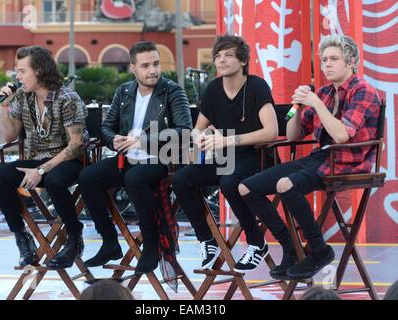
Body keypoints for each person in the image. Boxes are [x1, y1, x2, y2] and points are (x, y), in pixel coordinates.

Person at [239, 34, 381, 281]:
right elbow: (293, 135)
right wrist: (299, 107)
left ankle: (319, 250)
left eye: (334, 59)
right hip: (322, 157)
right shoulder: (325, 92)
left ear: (351, 61)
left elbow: (341, 136)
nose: (327, 64)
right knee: (246, 188)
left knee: (286, 185)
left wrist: (317, 104)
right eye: (324, 59)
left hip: (349, 161)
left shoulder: (363, 91)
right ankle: (291, 248)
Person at [78, 41, 192, 274]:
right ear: (134, 68)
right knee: (88, 177)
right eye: (146, 65)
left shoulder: (172, 91)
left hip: (160, 158)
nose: (153, 70)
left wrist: (144, 140)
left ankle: (151, 244)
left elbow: (185, 130)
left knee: (135, 178)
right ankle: (109, 241)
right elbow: (106, 127)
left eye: (156, 64)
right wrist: (114, 140)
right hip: (128, 157)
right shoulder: (124, 91)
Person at [172, 34, 278, 272]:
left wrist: (227, 140)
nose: (222, 60)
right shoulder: (213, 89)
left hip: (257, 157)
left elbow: (271, 131)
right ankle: (207, 240)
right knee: (181, 179)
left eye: (228, 55)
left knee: (230, 182)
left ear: (242, 61)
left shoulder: (256, 86)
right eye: (218, 56)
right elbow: (197, 128)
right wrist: (201, 137)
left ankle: (257, 243)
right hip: (226, 158)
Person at [0, 46, 88, 269]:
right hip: (37, 160)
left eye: (22, 71)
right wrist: (4, 106)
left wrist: (42, 170)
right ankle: (23, 239)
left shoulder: (68, 98)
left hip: (68, 160)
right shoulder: (24, 98)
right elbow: (9, 134)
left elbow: (76, 145)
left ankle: (74, 238)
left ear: (40, 71)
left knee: (55, 180)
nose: (18, 76)